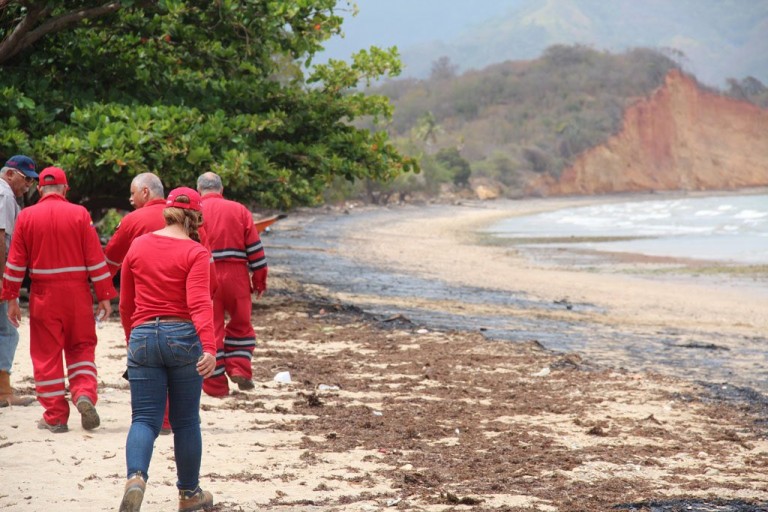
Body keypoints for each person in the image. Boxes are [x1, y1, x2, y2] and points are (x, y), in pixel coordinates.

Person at [118, 187, 216, 512]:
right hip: (183, 337)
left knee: (144, 419)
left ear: (167, 211)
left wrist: (134, 340)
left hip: (143, 335)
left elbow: (125, 303)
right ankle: (189, 494)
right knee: (186, 421)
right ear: (196, 218)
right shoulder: (196, 252)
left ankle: (135, 478)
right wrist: (211, 349)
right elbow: (200, 303)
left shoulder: (138, 245)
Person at [0, 166, 116, 433]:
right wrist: (105, 296)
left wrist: (12, 297)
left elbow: (15, 263)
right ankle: (84, 392)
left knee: (46, 354)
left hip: (44, 294)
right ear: (66, 189)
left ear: (40, 189)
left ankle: (55, 416)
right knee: (82, 346)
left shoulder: (27, 216)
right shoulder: (80, 214)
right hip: (77, 293)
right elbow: (95, 258)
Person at [196, 172, 267, 396]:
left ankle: (216, 386)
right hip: (237, 274)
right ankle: (239, 367)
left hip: (206, 273)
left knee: (211, 328)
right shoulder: (239, 210)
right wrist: (259, 280)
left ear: (199, 190)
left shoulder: (193, 211)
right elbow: (256, 249)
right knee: (241, 323)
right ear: (222, 189)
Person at [0, 155, 38, 407]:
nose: (29, 185)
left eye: (33, 181)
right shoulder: (4, 195)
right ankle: (3, 392)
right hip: (0, 273)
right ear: (10, 174)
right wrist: (6, 279)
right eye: (26, 179)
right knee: (7, 330)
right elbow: (1, 238)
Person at [104, 172, 167, 276]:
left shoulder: (132, 219)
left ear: (145, 192)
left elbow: (111, 258)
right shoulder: (182, 216)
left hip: (145, 286)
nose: (130, 198)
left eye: (133, 193)